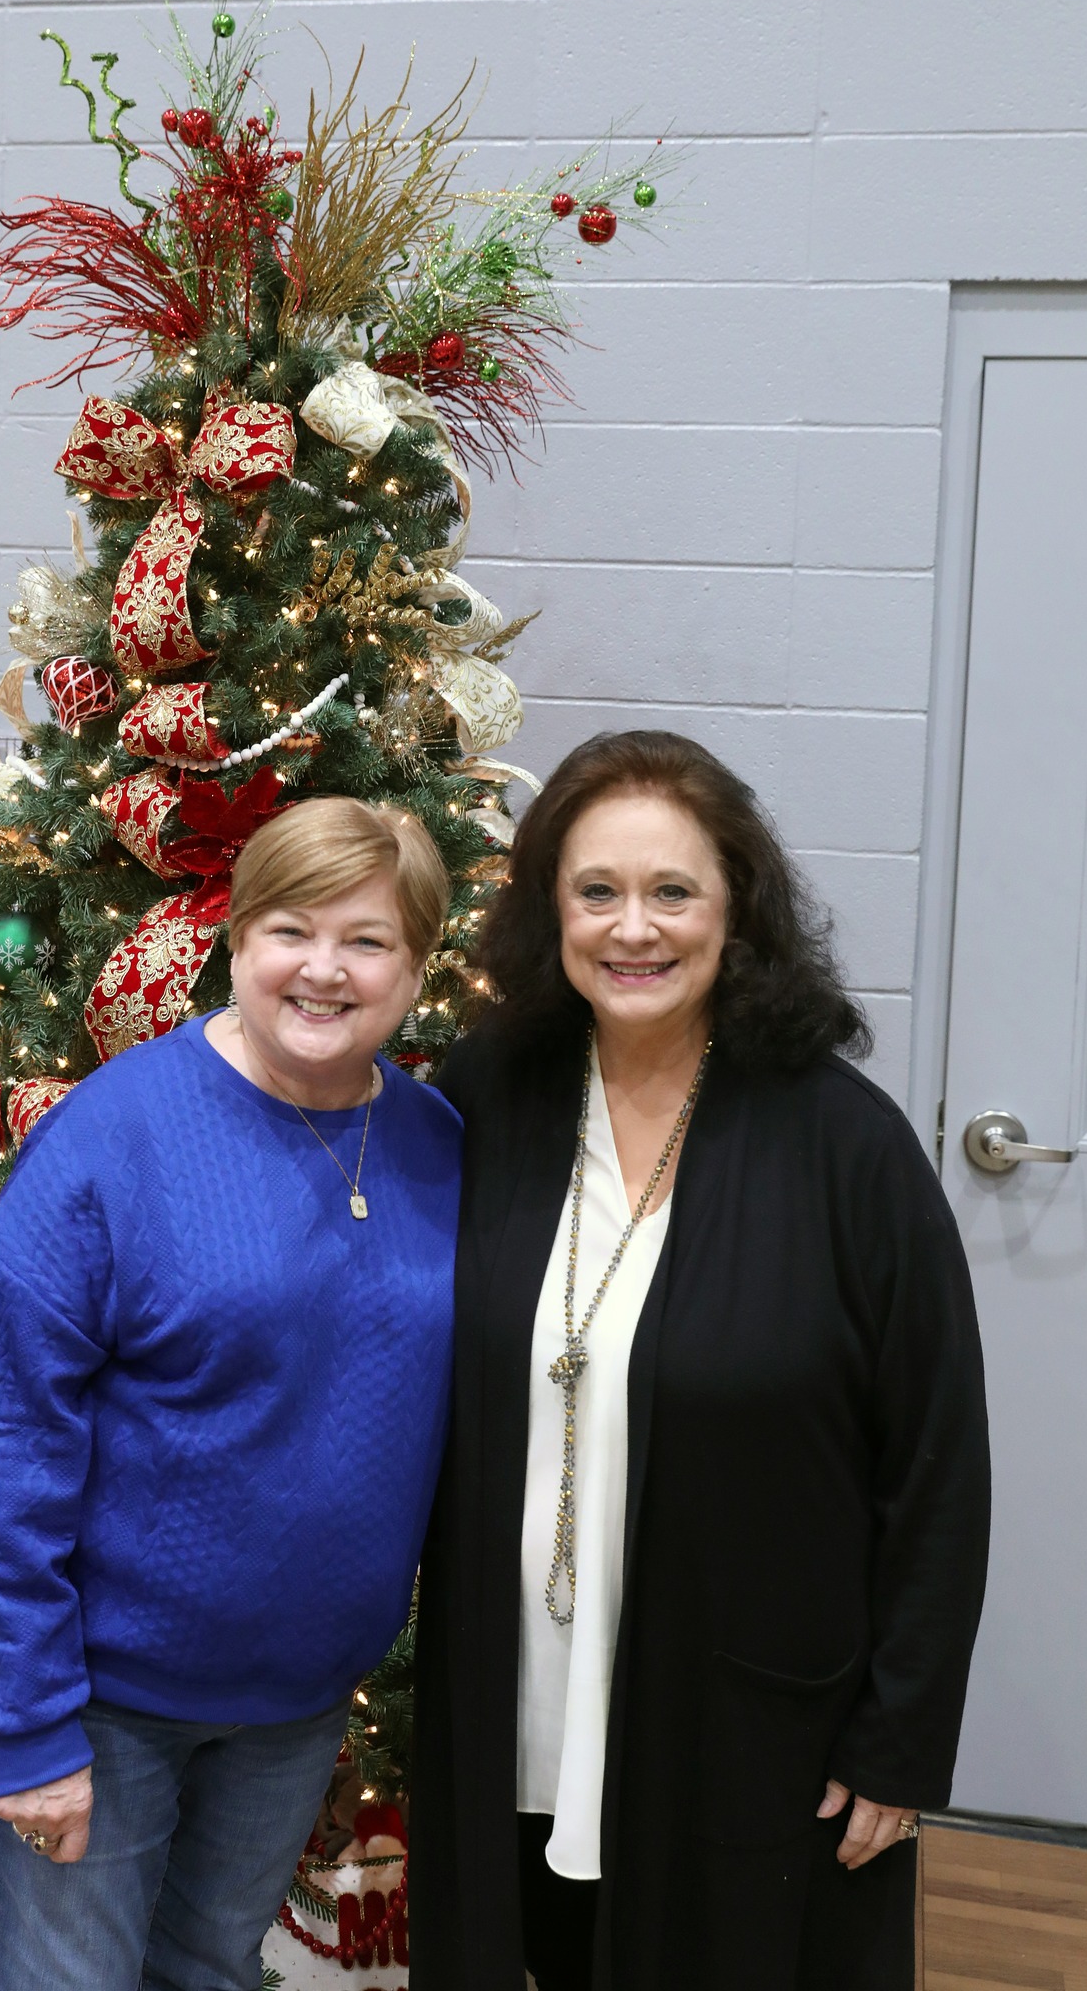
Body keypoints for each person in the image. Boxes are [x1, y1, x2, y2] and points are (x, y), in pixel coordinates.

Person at [410, 730, 990, 1991]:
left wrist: (899, 1739)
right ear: (549, 909)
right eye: (596, 890)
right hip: (518, 1698)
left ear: (737, 909)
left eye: (671, 890)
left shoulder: (842, 1145)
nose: (634, 928)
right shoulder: (489, 1093)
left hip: (746, 1723)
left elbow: (935, 1465)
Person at [0, 796, 461, 1991]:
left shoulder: (436, 1144)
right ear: (235, 937)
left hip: (295, 1704)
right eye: (289, 929)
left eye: (367, 939)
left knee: (208, 1971)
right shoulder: (113, 1138)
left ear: (417, 965)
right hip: (99, 1702)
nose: (323, 968)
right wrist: (24, 1724)